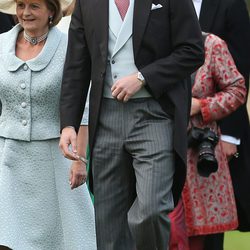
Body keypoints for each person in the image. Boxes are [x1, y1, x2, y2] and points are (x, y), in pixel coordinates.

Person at [59, 0, 205, 249]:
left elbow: (192, 51)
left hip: (155, 114)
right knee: (109, 223)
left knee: (151, 210)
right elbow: (76, 64)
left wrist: (144, 78)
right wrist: (68, 124)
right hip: (105, 118)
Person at [0, 0, 96, 249]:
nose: (26, 13)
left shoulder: (69, 47)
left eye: (34, 6)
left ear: (51, 11)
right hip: (8, 158)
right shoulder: (0, 46)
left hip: (57, 161)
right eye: (21, 5)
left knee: (64, 240)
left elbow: (83, 108)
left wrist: (79, 160)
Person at [169, 32, 246, 250]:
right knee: (165, 229)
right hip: (158, 151)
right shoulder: (150, 42)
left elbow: (237, 90)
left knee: (197, 238)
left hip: (198, 156)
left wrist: (201, 107)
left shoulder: (211, 44)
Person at [192, 0, 250, 248]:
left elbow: (241, 69)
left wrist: (230, 136)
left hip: (215, 132)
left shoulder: (230, 4)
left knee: (212, 216)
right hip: (171, 134)